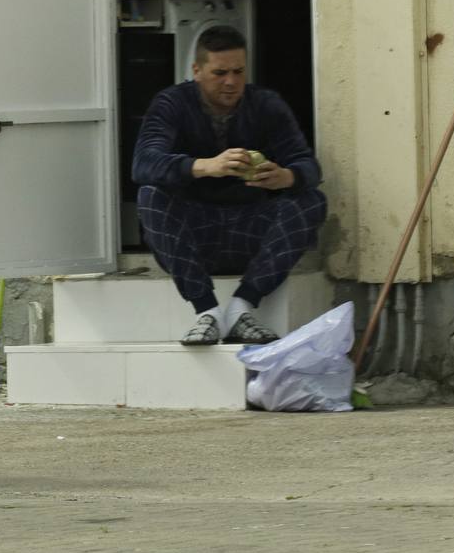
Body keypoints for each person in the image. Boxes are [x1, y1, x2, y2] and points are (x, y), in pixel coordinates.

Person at [131, 24, 326, 346]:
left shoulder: (265, 104)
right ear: (197, 70)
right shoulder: (172, 103)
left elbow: (307, 164)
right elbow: (143, 164)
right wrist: (205, 166)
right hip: (193, 233)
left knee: (311, 199)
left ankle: (241, 307)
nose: (231, 82)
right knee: (150, 195)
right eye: (219, 72)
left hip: (249, 229)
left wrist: (284, 176)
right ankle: (206, 311)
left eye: (238, 71)